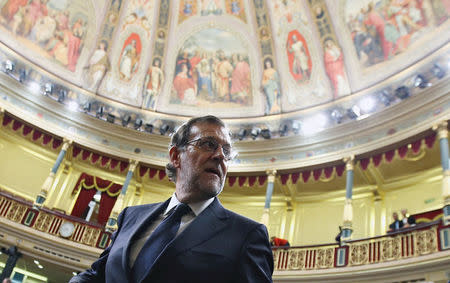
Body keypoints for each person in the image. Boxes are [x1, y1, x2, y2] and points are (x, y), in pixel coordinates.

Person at [69, 115, 274, 283]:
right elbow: (99, 276)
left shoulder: (247, 235)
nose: (220, 155)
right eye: (209, 144)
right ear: (176, 156)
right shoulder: (130, 217)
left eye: (226, 151)